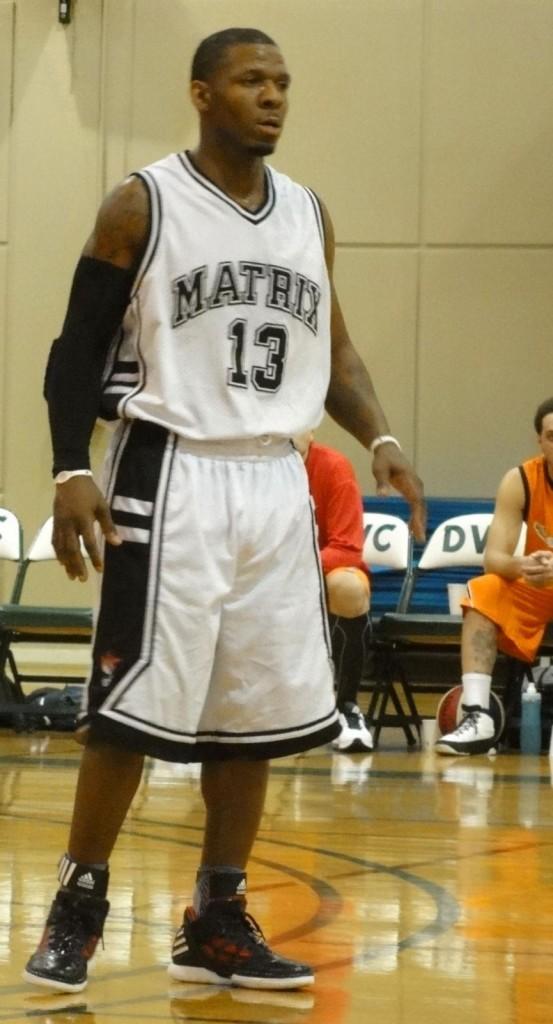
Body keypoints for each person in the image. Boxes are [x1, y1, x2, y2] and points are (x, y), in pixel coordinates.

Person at [24, 26, 425, 994]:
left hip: (273, 476)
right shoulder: (142, 202)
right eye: (252, 81)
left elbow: (335, 349)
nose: (273, 96)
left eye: (283, 82)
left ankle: (216, 914)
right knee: (131, 705)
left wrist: (379, 437)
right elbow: (74, 349)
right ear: (202, 94)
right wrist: (64, 468)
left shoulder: (305, 213)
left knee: (254, 712)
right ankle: (79, 901)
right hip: (169, 468)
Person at [436, 397, 553, 756]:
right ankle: (478, 715)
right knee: (483, 590)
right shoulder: (520, 480)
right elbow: (494, 559)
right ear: (540, 441)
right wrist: (525, 566)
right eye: (552, 435)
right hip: (537, 587)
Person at [294, 431, 373, 753]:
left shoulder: (333, 467)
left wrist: (294, 566)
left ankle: (346, 707)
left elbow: (348, 549)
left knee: (349, 587)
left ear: (310, 432)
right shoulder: (250, 467)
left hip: (312, 575)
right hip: (260, 576)